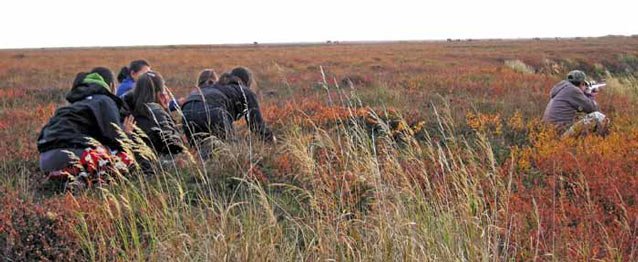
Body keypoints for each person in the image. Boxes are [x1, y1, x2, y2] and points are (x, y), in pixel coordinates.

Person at [37, 67, 136, 184]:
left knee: (102, 151)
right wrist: (127, 134)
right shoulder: (105, 100)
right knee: (125, 160)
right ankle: (76, 176)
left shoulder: (76, 105)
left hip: (45, 160)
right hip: (71, 155)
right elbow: (117, 141)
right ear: (112, 87)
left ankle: (64, 175)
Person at [182, 67, 274, 157]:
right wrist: (271, 143)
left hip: (187, 110)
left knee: (199, 154)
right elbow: (257, 126)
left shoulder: (218, 86)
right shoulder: (246, 91)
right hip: (213, 110)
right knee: (231, 152)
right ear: (247, 82)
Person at [123, 71, 184, 158]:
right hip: (157, 166)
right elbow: (175, 146)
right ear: (160, 94)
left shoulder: (127, 109)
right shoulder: (156, 113)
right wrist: (166, 111)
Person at [542, 70, 609, 137]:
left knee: (580, 117)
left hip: (549, 134)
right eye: (584, 84)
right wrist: (590, 95)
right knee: (598, 116)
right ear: (582, 83)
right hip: (561, 134)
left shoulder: (563, 89)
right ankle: (602, 142)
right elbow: (593, 108)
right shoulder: (573, 90)